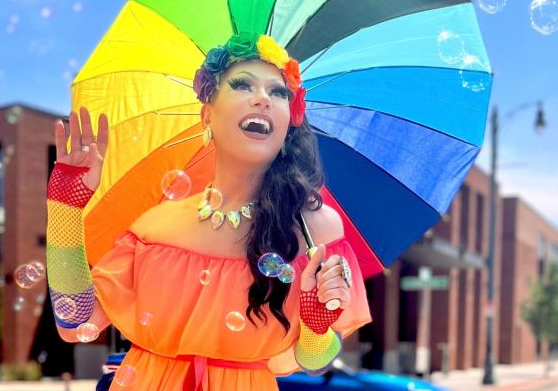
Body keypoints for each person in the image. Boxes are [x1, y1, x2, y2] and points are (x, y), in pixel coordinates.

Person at [46, 32, 371, 390]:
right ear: (207, 115)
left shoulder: (315, 230)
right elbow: (76, 321)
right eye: (243, 85)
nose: (263, 99)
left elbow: (314, 361)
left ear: (288, 122)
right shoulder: (156, 225)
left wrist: (316, 326)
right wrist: (65, 208)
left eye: (278, 92)